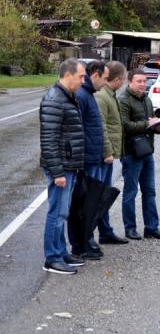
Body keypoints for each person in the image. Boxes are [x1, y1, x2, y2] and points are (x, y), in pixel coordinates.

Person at [39, 59, 88, 274]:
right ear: (68, 75)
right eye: (81, 76)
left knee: (63, 212)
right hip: (61, 167)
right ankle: (52, 259)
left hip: (69, 165)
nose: (83, 81)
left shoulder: (67, 96)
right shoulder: (54, 99)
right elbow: (49, 140)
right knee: (57, 213)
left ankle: (60, 251)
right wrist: (57, 172)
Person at [119, 68, 160, 241]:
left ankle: (151, 228)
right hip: (131, 153)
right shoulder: (123, 100)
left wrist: (158, 126)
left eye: (145, 81)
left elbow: (150, 122)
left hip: (147, 151)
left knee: (150, 191)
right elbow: (125, 126)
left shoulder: (147, 99)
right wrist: (147, 123)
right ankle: (130, 228)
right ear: (130, 82)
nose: (143, 84)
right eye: (139, 81)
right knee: (130, 192)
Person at [67, 60, 109, 260]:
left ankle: (86, 240)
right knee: (83, 205)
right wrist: (81, 159)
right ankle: (81, 244)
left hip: (93, 158)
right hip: (86, 160)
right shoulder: (83, 96)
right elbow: (78, 130)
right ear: (95, 75)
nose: (106, 82)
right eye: (105, 78)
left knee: (91, 204)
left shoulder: (89, 94)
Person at [95, 60, 128, 245]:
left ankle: (105, 231)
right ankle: (90, 235)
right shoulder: (102, 97)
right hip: (103, 157)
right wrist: (108, 151)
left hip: (109, 155)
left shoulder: (111, 95)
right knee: (99, 195)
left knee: (105, 194)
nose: (123, 82)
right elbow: (102, 127)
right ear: (117, 79)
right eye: (123, 79)